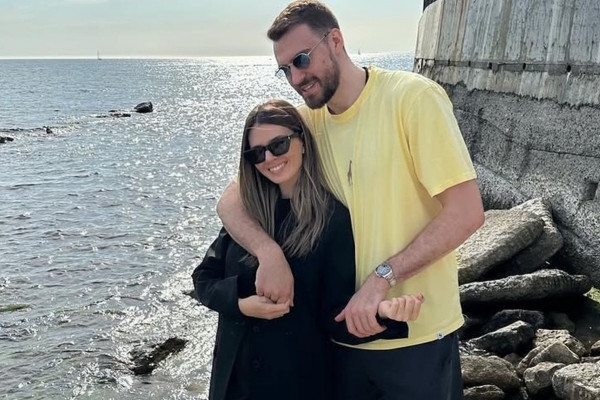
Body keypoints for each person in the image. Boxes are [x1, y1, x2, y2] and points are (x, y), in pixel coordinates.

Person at [216, 1, 485, 399]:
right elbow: (229, 201)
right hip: (339, 340)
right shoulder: (306, 124)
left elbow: (467, 212)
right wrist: (268, 253)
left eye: (302, 60)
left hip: (415, 334)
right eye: (285, 69)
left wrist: (382, 279)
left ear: (336, 41)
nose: (296, 78)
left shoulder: (412, 98)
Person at [193, 99, 424, 400]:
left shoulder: (333, 220)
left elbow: (334, 315)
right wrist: (240, 304)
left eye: (279, 145)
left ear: (302, 141)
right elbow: (204, 280)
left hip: (298, 382)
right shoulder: (246, 214)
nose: (269, 158)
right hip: (234, 382)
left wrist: (381, 313)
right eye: (256, 153)